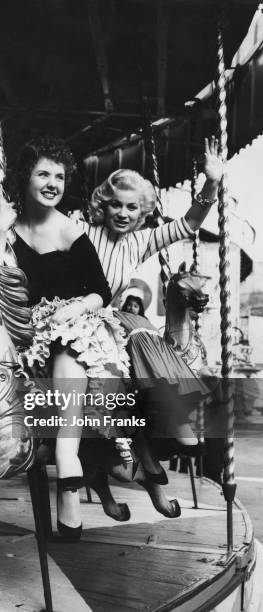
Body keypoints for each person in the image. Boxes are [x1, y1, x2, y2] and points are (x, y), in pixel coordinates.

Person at [0, 137, 131, 541]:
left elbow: (101, 289)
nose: (52, 183)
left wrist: (78, 307)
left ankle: (67, 458)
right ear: (25, 178)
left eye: (60, 176)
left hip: (79, 324)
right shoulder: (12, 231)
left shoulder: (70, 229)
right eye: (43, 174)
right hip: (31, 329)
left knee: (66, 345)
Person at [87, 137, 224, 452]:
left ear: (141, 212)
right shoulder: (84, 232)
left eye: (131, 207)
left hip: (106, 314)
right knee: (136, 329)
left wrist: (211, 183)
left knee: (142, 328)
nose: (123, 213)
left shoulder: (139, 242)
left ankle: (168, 416)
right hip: (77, 314)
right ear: (103, 206)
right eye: (116, 204)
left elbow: (188, 224)